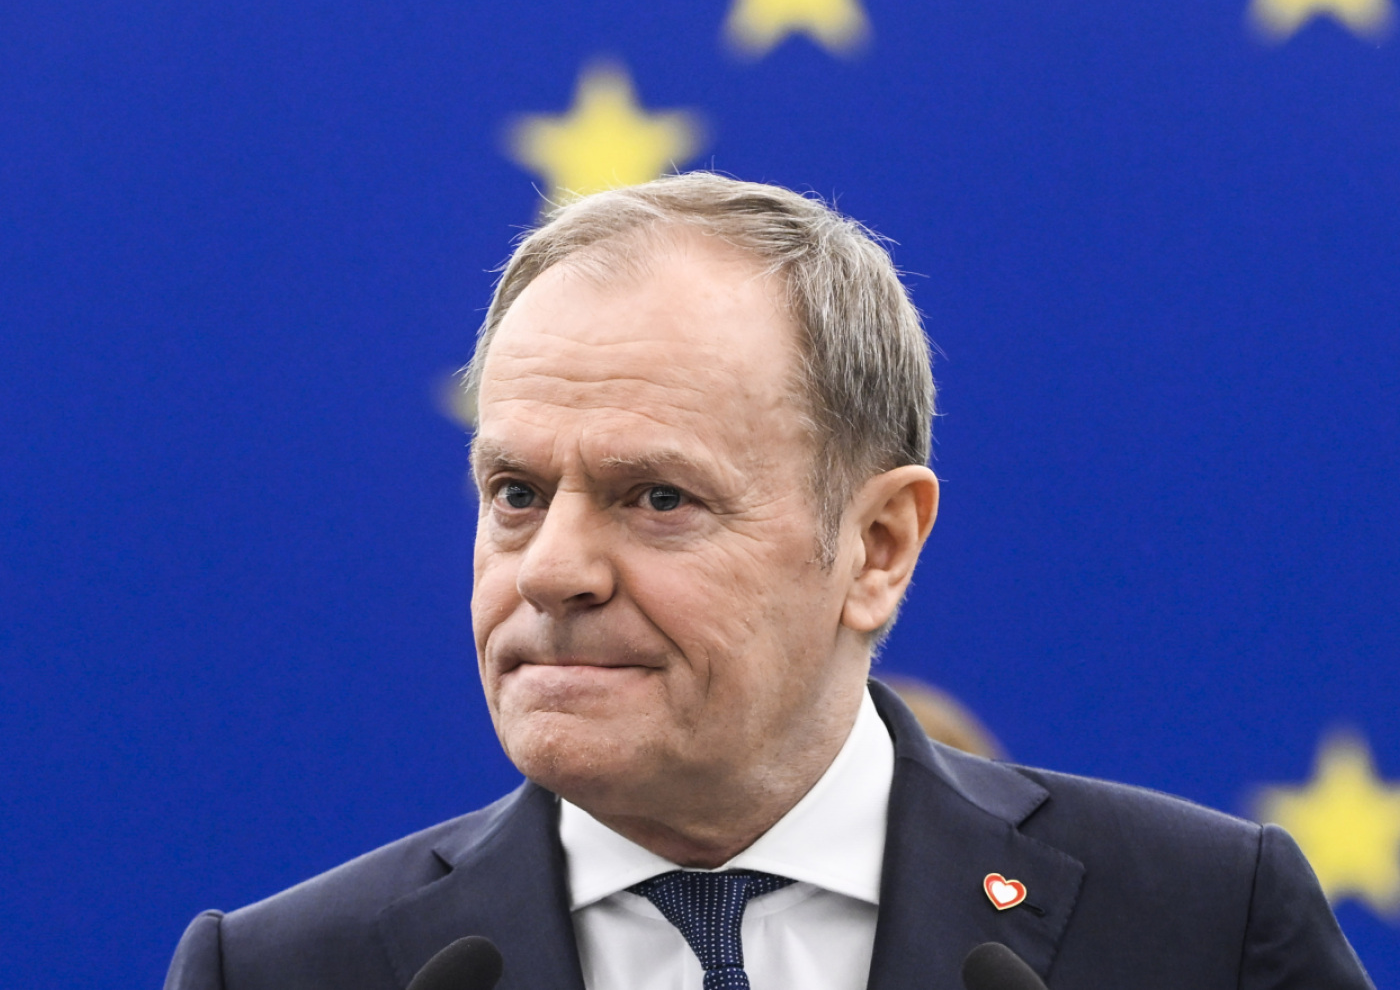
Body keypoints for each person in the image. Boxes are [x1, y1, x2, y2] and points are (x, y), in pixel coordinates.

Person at [165, 173, 1373, 990]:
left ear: (877, 547)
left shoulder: (1199, 926)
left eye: (656, 498)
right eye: (516, 492)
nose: (552, 570)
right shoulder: (283, 971)